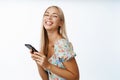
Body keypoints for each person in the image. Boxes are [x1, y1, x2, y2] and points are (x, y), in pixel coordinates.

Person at [30, 5, 79, 80]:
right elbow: (46, 78)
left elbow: (75, 77)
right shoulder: (45, 45)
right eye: (46, 14)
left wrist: (48, 65)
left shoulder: (61, 45)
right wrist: (38, 62)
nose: (49, 18)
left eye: (54, 16)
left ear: (61, 23)